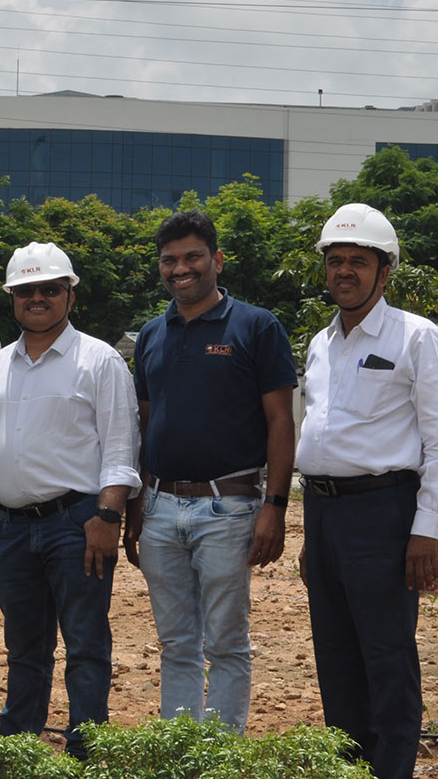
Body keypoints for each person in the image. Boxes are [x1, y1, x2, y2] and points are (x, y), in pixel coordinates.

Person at [298, 203, 438, 779]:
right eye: (335, 261)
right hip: (322, 515)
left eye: (358, 262)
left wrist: (425, 530)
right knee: (335, 656)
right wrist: (309, 532)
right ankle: (350, 768)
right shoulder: (321, 345)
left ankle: (391, 769)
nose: (345, 271)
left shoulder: (416, 337)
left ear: (384, 271)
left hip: (384, 516)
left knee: (387, 657)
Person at [0, 242, 140, 761]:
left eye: (49, 289)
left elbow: (122, 449)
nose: (37, 298)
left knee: (85, 646)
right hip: (12, 530)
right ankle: (20, 753)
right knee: (24, 650)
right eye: (26, 290)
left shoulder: (99, 360)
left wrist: (108, 516)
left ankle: (87, 754)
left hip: (77, 524)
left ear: (70, 295)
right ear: (13, 299)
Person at [122, 209, 298, 729]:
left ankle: (220, 751)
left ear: (216, 260)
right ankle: (181, 749)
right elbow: (145, 424)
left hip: (230, 507)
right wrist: (136, 506)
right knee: (175, 643)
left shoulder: (257, 326)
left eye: (193, 256)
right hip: (158, 508)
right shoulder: (152, 335)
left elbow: (281, 422)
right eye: (169, 260)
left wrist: (276, 506)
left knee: (225, 642)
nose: (181, 268)